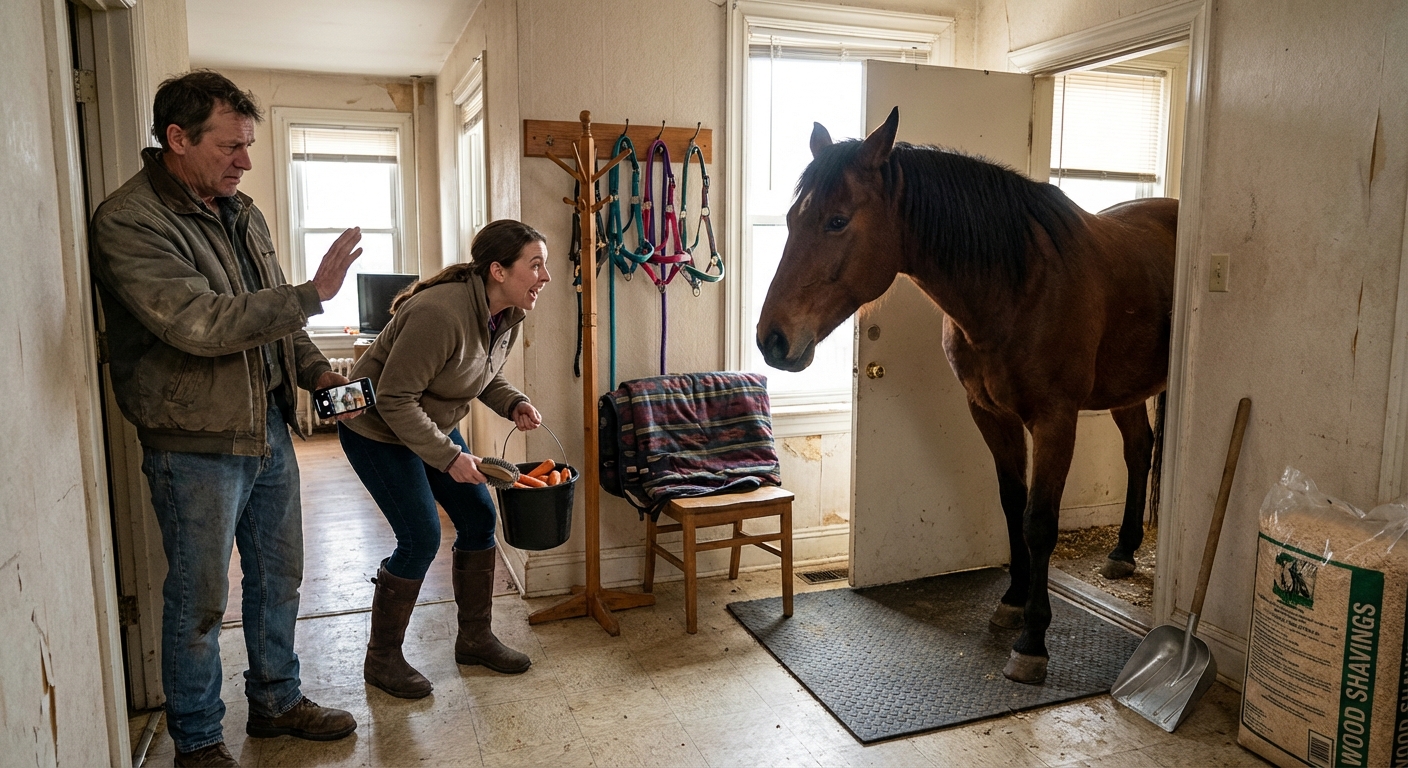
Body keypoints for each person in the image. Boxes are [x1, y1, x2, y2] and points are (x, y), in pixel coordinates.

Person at [89, 71, 362, 768]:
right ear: (177, 139)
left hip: (266, 426)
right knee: (200, 598)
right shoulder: (129, 221)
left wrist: (314, 371)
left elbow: (274, 313)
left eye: (248, 145)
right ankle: (199, 740)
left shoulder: (243, 212)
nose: (244, 161)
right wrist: (311, 294)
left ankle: (275, 700)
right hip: (194, 443)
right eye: (230, 147)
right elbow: (201, 323)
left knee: (281, 576)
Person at [338, 219, 548, 699]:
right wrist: (451, 456)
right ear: (498, 270)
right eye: (535, 265)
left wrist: (512, 401)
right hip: (376, 430)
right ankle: (382, 659)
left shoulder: (507, 313)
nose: (545, 277)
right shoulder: (440, 312)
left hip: (427, 420)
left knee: (478, 515)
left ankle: (474, 638)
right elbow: (393, 399)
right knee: (421, 536)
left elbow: (476, 373)